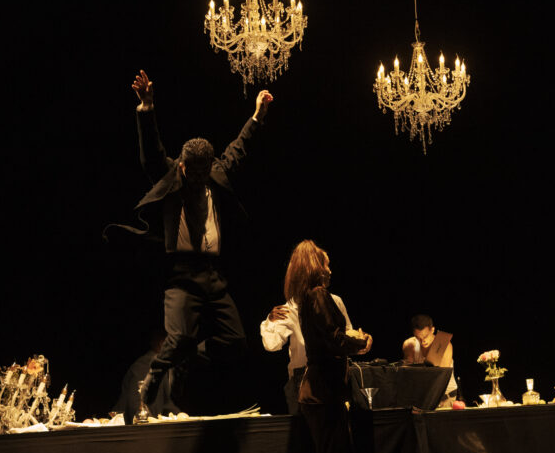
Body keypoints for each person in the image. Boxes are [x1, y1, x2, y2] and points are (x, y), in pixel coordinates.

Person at [113, 69, 272, 421]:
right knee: (178, 337)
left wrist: (257, 116)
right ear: (183, 166)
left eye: (203, 173)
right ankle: (151, 381)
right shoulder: (171, 175)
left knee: (235, 342)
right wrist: (146, 108)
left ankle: (185, 358)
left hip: (212, 274)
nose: (198, 180)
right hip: (182, 274)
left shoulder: (216, 173)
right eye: (192, 173)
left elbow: (239, 148)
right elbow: (151, 151)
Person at [287, 240, 372, 453]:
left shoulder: (308, 299)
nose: (330, 270)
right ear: (316, 267)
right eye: (326, 264)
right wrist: (360, 342)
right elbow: (334, 338)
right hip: (322, 391)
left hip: (323, 390)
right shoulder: (318, 296)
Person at [261, 290, 371, 415]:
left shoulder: (335, 301)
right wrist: (270, 322)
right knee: (307, 425)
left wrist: (362, 340)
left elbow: (346, 334)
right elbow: (272, 344)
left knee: (337, 422)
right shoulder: (290, 308)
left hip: (335, 373)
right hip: (303, 377)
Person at [401, 314, 457, 407]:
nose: (423, 341)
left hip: (444, 397)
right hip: (422, 397)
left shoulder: (443, 343)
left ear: (432, 330)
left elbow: (442, 378)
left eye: (425, 336)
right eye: (418, 337)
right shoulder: (409, 345)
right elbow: (409, 375)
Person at [113, 329, 168, 423]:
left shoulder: (159, 366)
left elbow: (168, 404)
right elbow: (136, 405)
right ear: (162, 343)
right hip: (125, 427)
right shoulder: (146, 365)